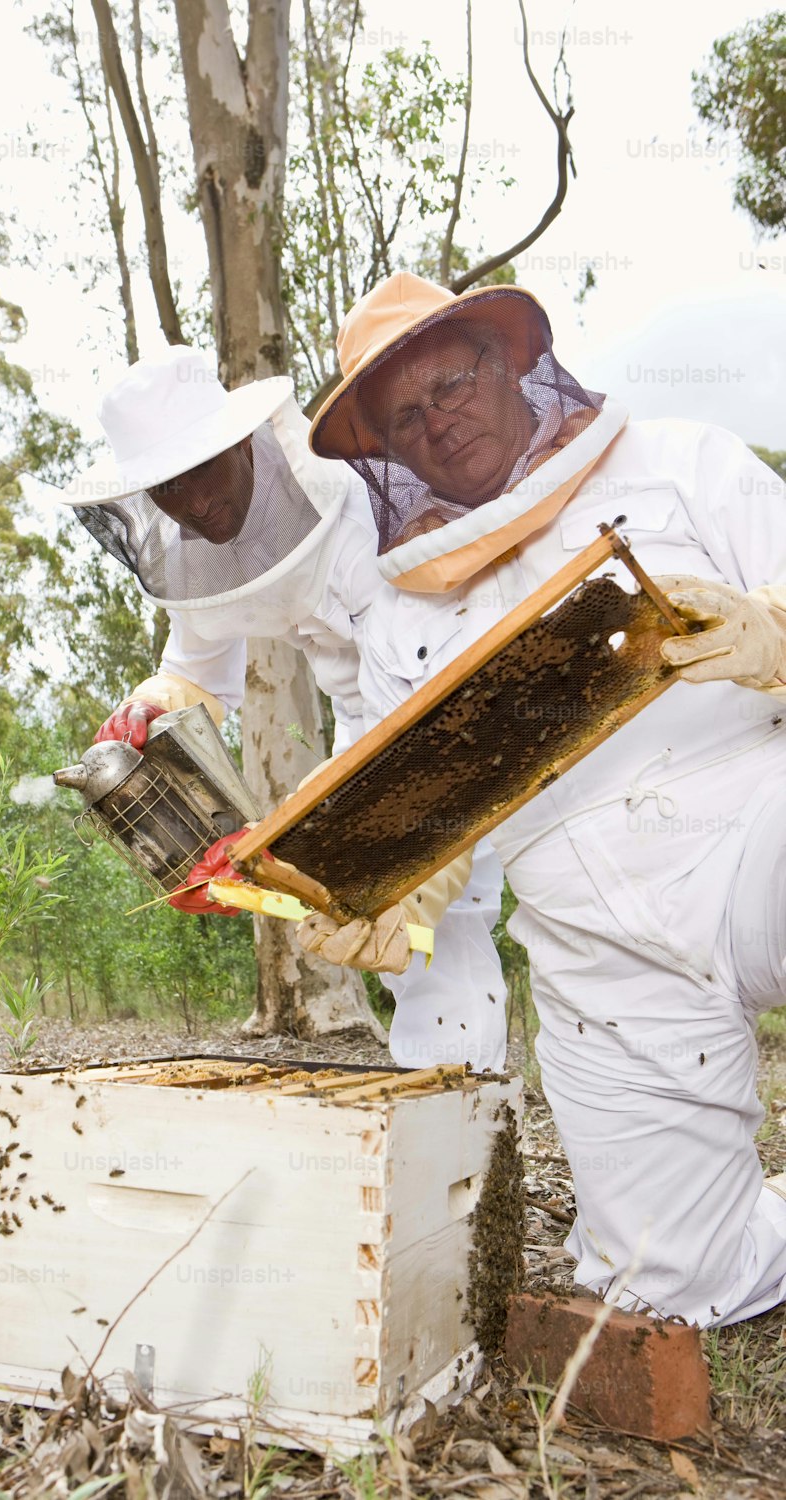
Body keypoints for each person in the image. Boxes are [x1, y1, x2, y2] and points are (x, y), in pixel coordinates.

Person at [303, 270, 786, 1328]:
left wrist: (771, 633)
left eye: (453, 380)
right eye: (406, 416)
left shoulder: (682, 463)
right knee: (673, 1289)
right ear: (385, 451)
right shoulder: (394, 625)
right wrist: (396, 886)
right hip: (596, 948)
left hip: (757, 834)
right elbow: (430, 817)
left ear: (513, 359)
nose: (439, 420)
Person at [53, 343, 508, 1069]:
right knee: (395, 939)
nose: (195, 503)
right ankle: (440, 1113)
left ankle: (481, 1116)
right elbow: (197, 670)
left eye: (202, 470)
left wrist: (390, 853)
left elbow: (431, 707)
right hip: (364, 720)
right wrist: (150, 713)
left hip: (462, 697)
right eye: (167, 489)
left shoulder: (350, 503)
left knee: (468, 909)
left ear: (240, 441)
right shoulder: (193, 550)